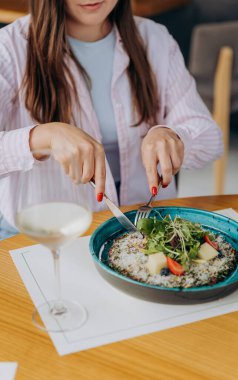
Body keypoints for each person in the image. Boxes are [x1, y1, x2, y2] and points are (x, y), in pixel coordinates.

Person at [0, 0, 223, 239]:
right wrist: (42, 137)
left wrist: (175, 136)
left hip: (144, 231)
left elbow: (210, 138)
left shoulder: (155, 39)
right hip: (41, 235)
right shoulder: (10, 47)